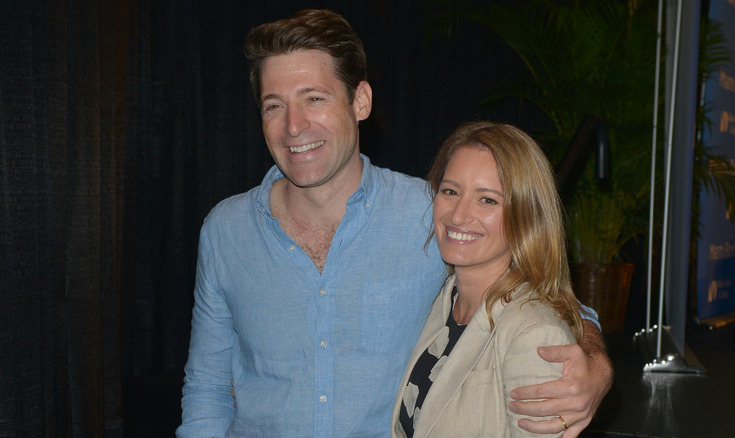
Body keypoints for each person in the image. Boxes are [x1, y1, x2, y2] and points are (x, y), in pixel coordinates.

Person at [177, 9, 612, 438]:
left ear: (360, 101)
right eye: (275, 105)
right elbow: (207, 390)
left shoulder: (436, 213)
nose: (294, 125)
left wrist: (595, 363)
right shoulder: (226, 230)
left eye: (314, 98)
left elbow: (541, 292)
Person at [391, 121, 586, 437]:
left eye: (488, 199)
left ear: (526, 216)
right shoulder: (445, 300)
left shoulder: (535, 334)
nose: (458, 215)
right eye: (451, 191)